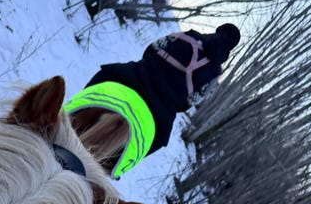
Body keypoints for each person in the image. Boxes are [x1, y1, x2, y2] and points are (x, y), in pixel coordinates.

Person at [63, 23, 241, 179]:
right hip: (162, 107)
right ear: (230, 49)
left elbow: (153, 47)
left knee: (105, 74)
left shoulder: (189, 36)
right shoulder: (214, 74)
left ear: (218, 30)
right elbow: (192, 101)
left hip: (137, 75)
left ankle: (68, 109)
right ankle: (119, 169)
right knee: (158, 139)